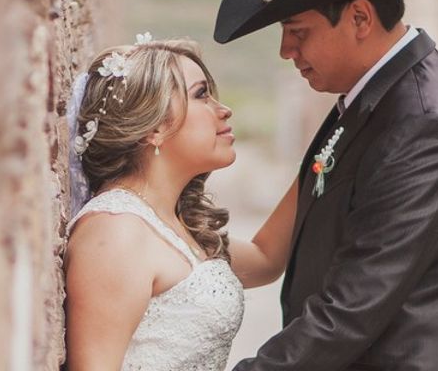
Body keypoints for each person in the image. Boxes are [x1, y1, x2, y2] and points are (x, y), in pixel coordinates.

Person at [214, 0, 438, 371]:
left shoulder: (423, 126)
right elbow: (269, 250)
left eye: (297, 31)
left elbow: (350, 310)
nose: (286, 50)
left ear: (361, 18)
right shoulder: (367, 97)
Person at [63, 36, 300, 370]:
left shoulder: (168, 222)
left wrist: (328, 154)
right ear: (153, 128)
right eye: (201, 94)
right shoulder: (115, 232)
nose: (223, 108)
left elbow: (265, 260)